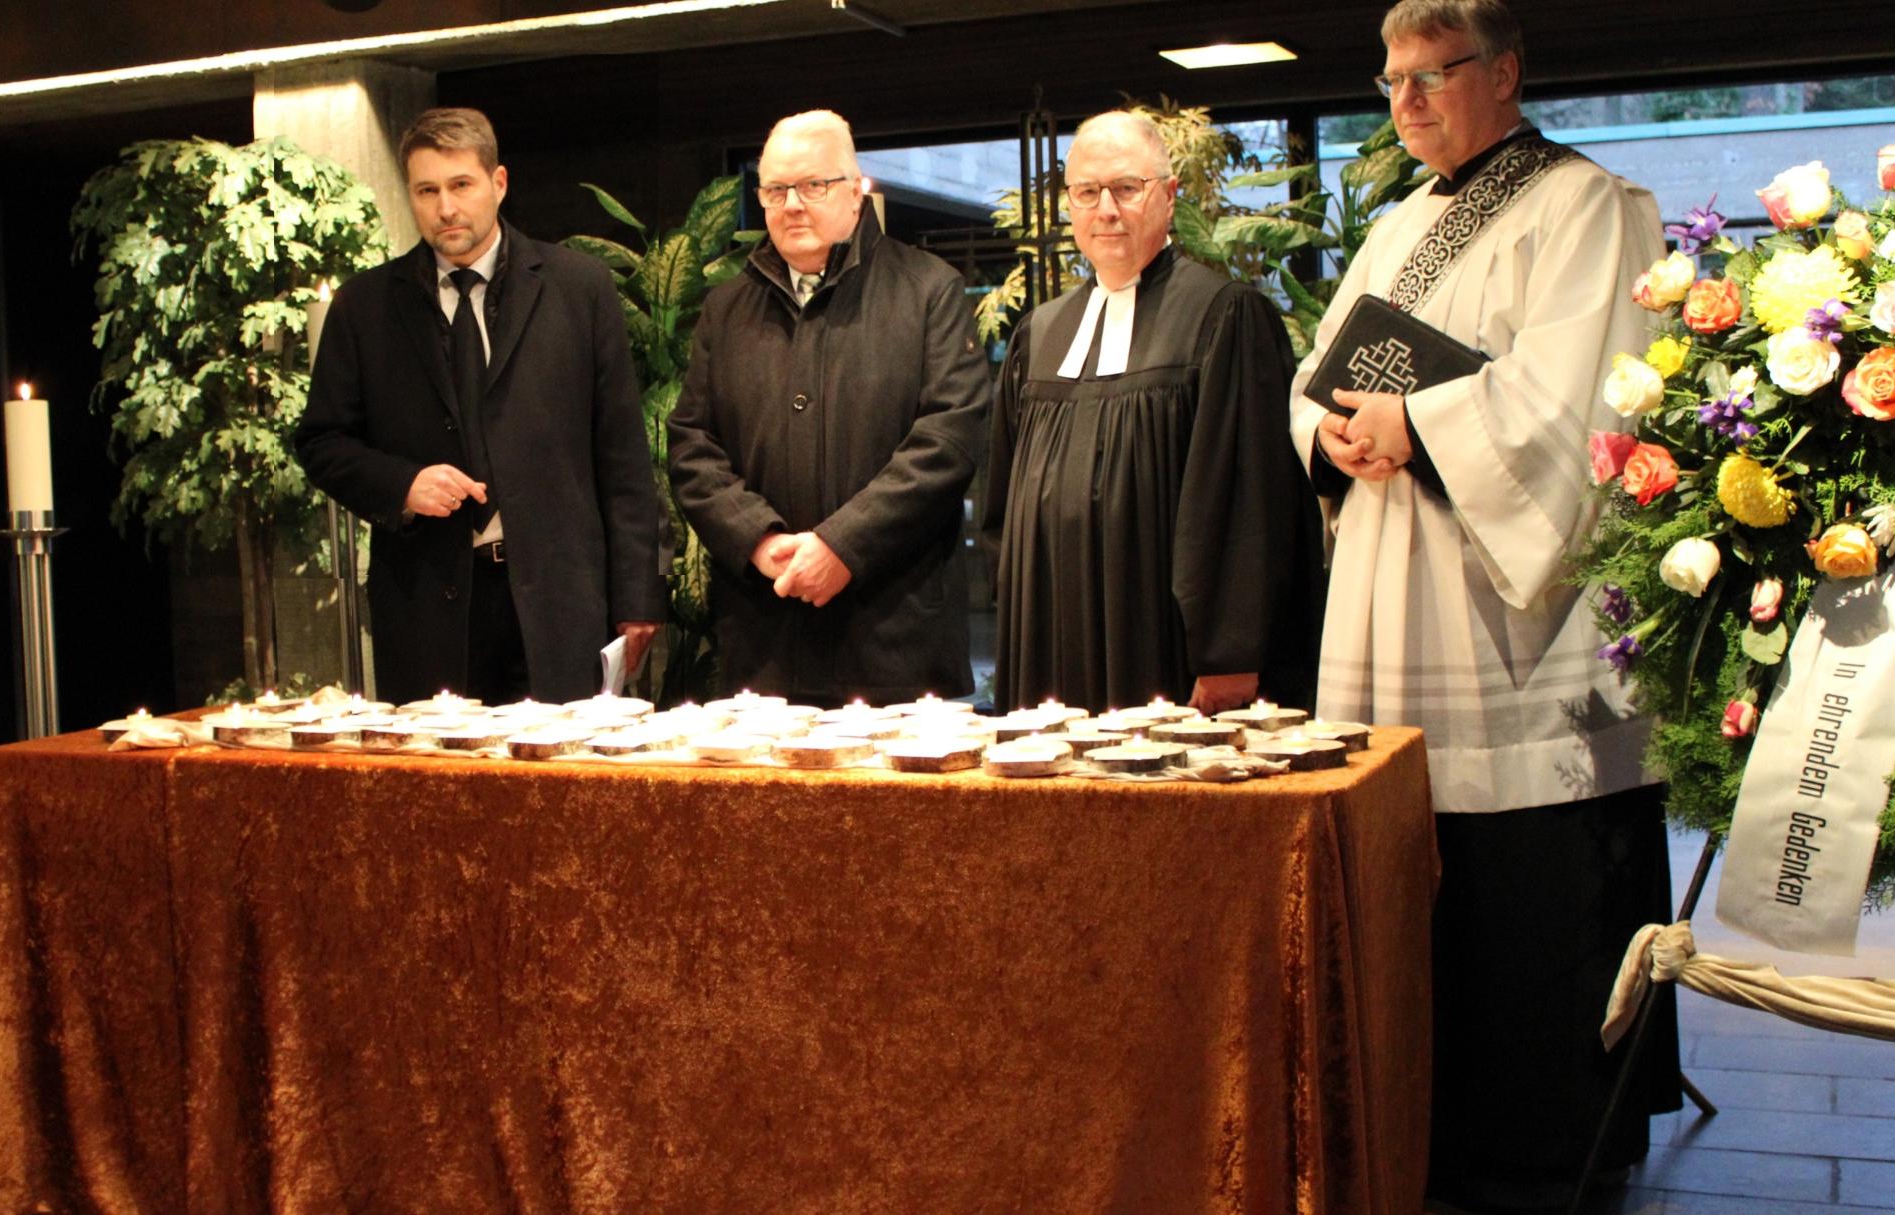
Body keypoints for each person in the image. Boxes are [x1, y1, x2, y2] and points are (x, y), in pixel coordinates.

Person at [1288, 1, 1677, 1206]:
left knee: (1531, 890)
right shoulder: (1399, 223)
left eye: (1432, 75)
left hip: (1519, 614)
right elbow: (1318, 376)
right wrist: (1334, 433)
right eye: (1390, 79)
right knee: (1421, 882)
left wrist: (1424, 424)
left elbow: (1581, 402)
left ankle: (1561, 1138)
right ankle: (1428, 1118)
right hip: (1392, 582)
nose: (1404, 100)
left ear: (1505, 73)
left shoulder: (1591, 208)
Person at [296, 107, 665, 705]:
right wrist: (402, 483)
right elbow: (321, 441)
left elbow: (621, 452)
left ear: (498, 183)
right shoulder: (365, 307)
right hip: (425, 603)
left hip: (559, 600)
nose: (445, 208)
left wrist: (638, 596)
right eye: (427, 190)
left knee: (559, 788)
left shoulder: (580, 287)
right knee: (442, 790)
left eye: (461, 186)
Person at [985, 109, 1324, 715]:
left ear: (1169, 195)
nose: (1106, 210)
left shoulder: (1225, 317)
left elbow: (1249, 503)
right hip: (1047, 644)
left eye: (1126, 188)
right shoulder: (1039, 333)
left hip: (1164, 647)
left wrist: (1229, 654)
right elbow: (1003, 504)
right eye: (1087, 193)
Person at [667, 110, 989, 707]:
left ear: (855, 190)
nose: (793, 204)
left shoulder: (928, 290)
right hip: (766, 641)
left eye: (814, 186)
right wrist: (758, 539)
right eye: (775, 189)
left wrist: (843, 545)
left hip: (896, 641)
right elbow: (691, 446)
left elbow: (949, 439)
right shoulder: (726, 309)